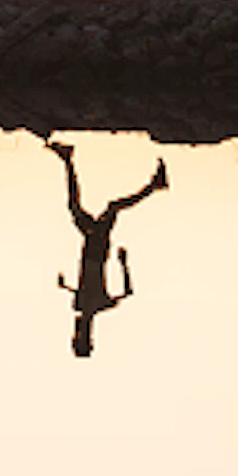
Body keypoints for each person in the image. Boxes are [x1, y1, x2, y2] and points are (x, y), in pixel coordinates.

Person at [47, 137, 170, 358]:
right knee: (108, 207)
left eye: (77, 337)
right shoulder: (94, 306)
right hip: (96, 250)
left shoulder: (83, 305)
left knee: (84, 208)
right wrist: (123, 263)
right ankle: (154, 186)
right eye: (80, 337)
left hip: (92, 251)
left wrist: (66, 286)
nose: (77, 332)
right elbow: (127, 292)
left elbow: (94, 287)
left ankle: (67, 159)